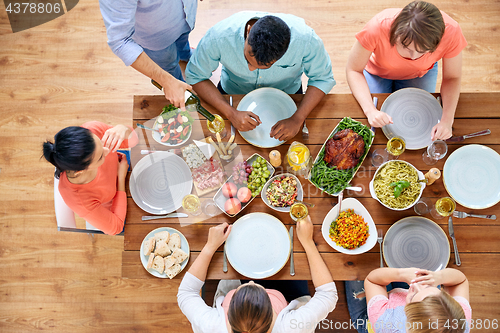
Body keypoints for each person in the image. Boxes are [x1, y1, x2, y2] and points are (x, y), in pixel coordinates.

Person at [185, 11, 335, 141]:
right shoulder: (218, 37)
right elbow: (196, 76)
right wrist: (231, 113)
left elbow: (322, 78)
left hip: (289, 95)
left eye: (266, 66)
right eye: (247, 59)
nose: (250, 69)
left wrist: (298, 118)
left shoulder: (306, 41)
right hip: (231, 94)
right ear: (249, 31)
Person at [177, 216, 338, 333]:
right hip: (290, 298)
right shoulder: (293, 327)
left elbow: (186, 293)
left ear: (228, 315)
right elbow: (328, 295)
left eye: (248, 285)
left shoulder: (210, 325)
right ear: (272, 316)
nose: (252, 282)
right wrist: (308, 242)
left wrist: (210, 246)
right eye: (257, 287)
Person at [346, 1, 467, 140]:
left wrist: (447, 120)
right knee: (370, 121)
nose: (413, 57)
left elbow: (452, 78)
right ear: (396, 32)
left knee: (421, 117)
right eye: (406, 48)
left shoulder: (452, 32)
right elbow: (353, 70)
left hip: (420, 73)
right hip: (376, 71)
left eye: (422, 51)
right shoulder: (377, 27)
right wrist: (370, 111)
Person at [43, 121, 138, 235]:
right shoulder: (79, 198)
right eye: (100, 157)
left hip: (123, 164)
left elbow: (134, 141)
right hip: (117, 202)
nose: (108, 150)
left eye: (101, 143)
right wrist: (121, 177)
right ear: (80, 171)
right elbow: (116, 227)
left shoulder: (92, 129)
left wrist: (123, 129)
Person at [99, 0, 198, 108]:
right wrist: (167, 81)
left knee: (183, 44)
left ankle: (185, 56)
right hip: (157, 41)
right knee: (170, 65)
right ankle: (181, 88)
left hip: (186, 20)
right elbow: (120, 42)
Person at [345, 267, 471, 333]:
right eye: (437, 289)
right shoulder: (457, 321)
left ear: (407, 311)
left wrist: (400, 274)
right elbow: (460, 282)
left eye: (415, 294)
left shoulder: (385, 322)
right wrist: (439, 277)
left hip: (372, 319)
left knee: (355, 268)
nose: (416, 285)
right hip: (394, 298)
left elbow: (373, 281)